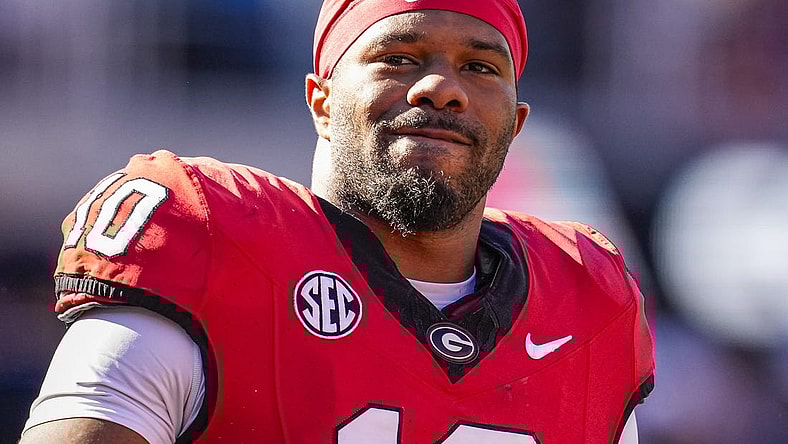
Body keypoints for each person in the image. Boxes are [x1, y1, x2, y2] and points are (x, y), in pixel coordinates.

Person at [20, 0, 654, 442]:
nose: (441, 87)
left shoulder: (588, 300)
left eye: (481, 66)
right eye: (399, 57)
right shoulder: (208, 234)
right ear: (320, 101)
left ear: (514, 125)